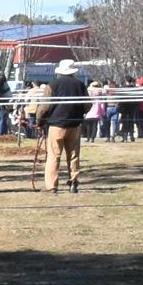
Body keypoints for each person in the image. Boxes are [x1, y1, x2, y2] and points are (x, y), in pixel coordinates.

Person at [41, 59, 87, 192]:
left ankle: (52, 186)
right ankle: (73, 182)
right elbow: (87, 105)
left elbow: (44, 106)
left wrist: (39, 120)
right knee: (73, 155)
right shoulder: (80, 85)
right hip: (74, 125)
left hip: (56, 125)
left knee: (54, 155)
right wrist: (79, 113)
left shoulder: (52, 85)